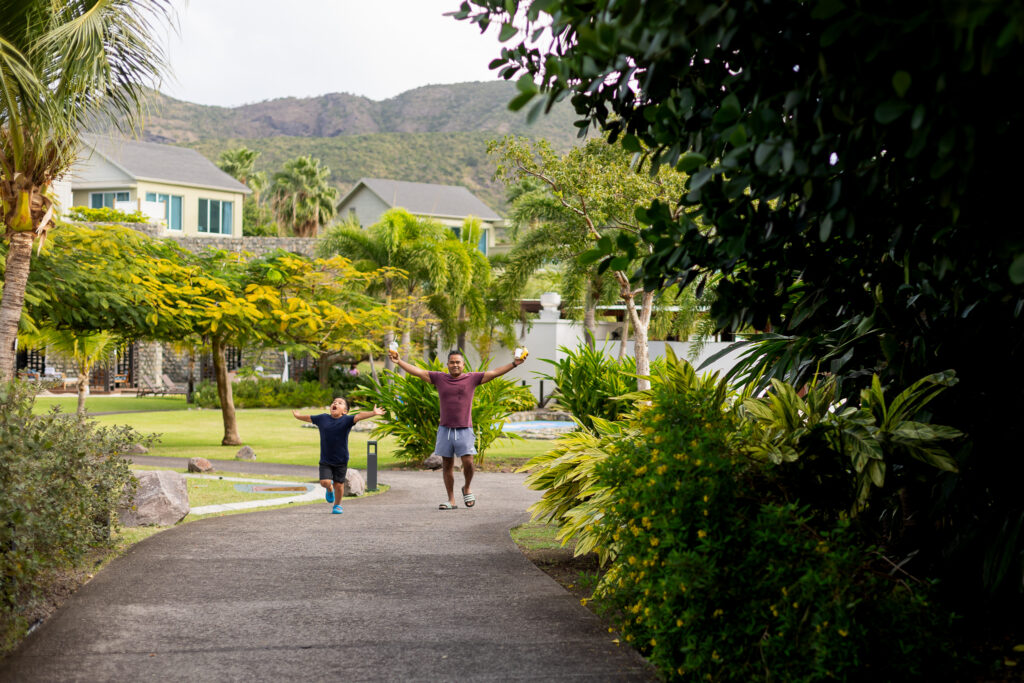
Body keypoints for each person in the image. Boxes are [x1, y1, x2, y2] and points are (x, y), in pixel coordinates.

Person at [389, 348, 525, 510]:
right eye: (452, 362)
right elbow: (418, 372)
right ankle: (451, 500)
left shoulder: (471, 378)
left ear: (463, 365)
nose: (455, 365)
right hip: (445, 429)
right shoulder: (439, 378)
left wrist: (514, 364)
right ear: (447, 364)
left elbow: (494, 372)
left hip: (464, 429)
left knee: (468, 462)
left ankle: (467, 487)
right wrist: (399, 362)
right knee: (447, 465)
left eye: (458, 362)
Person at [292, 398, 385, 514]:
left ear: (345, 411)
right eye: (334, 402)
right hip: (326, 459)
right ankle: (329, 489)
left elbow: (359, 416)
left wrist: (373, 413)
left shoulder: (347, 420)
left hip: (341, 459)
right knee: (324, 482)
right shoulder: (323, 418)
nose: (335, 403)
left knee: (339, 485)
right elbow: (309, 418)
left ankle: (337, 505)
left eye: (340, 403)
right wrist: (298, 416)